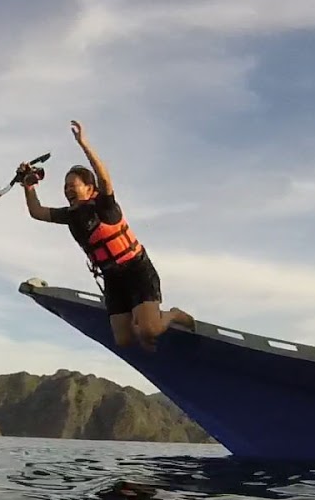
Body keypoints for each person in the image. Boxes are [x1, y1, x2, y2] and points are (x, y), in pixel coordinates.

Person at [22, 120, 193, 351]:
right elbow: (37, 212)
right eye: (65, 187)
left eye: (73, 186)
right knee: (124, 340)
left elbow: (104, 180)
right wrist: (28, 187)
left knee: (149, 331)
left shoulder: (104, 207)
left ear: (90, 189)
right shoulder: (70, 215)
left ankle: (172, 315)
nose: (68, 190)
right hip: (112, 278)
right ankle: (142, 317)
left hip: (136, 269)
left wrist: (84, 144)